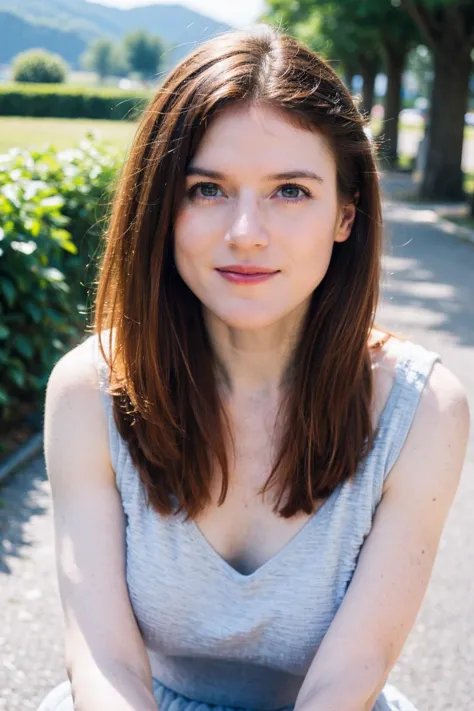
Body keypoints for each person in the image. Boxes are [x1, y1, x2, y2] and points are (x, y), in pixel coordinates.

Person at [38, 25, 469, 711]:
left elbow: (347, 677)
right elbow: (104, 659)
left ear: (346, 215)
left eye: (290, 191)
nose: (245, 231)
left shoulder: (421, 410)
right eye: (207, 189)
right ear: (161, 207)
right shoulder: (88, 390)